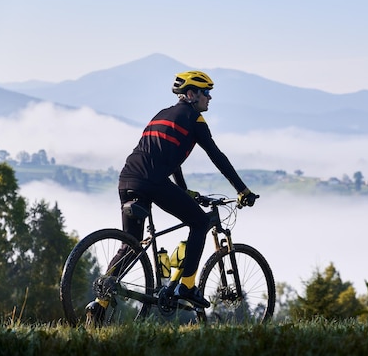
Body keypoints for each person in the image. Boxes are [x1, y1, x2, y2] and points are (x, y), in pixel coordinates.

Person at [86, 70, 258, 320]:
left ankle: (99, 303)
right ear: (190, 94)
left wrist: (183, 188)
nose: (209, 98)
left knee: (131, 245)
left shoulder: (161, 114)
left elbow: (168, 156)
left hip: (127, 178)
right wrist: (242, 190)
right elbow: (217, 156)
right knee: (199, 223)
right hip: (153, 181)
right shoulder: (194, 118)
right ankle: (186, 285)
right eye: (206, 93)